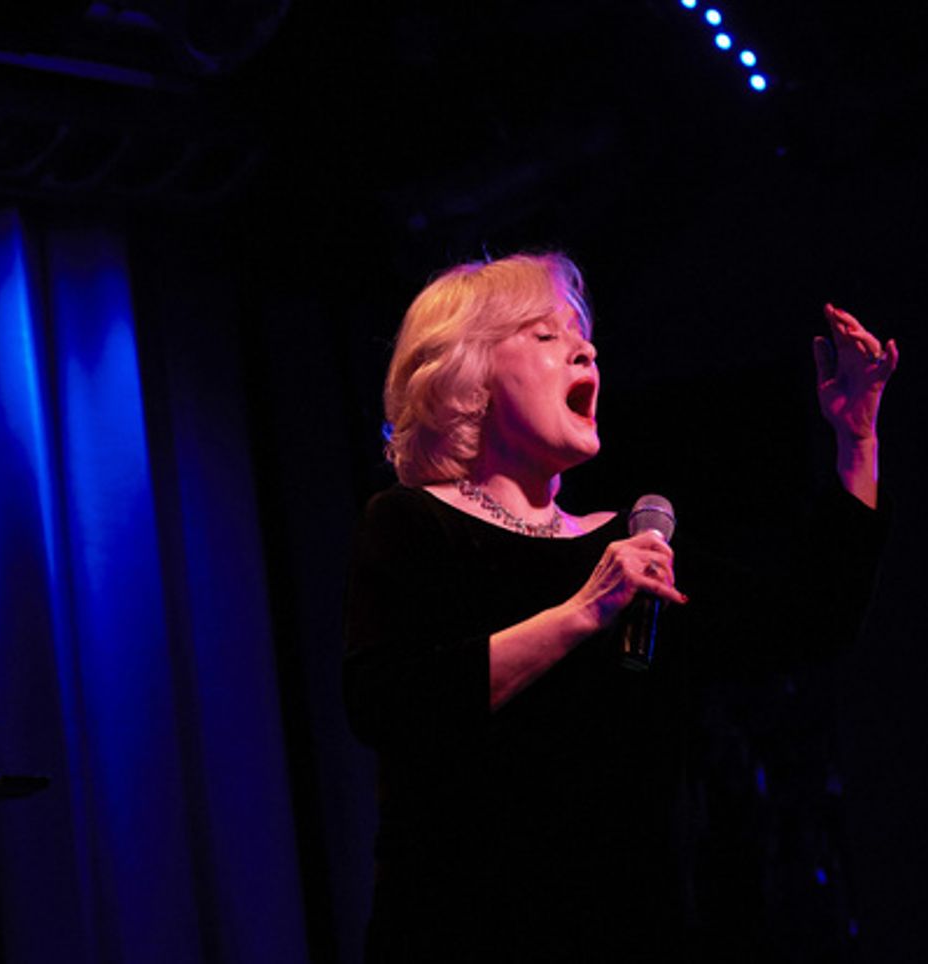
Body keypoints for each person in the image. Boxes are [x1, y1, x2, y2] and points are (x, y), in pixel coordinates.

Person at [343, 252, 897, 962]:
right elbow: (385, 702)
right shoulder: (413, 525)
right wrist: (580, 615)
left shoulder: (630, 545)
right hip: (463, 931)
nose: (585, 347)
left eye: (581, 335)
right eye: (546, 336)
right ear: (467, 375)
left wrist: (857, 441)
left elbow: (811, 620)